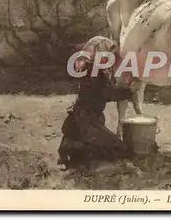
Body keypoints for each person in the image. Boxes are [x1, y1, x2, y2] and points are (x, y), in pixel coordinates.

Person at [57, 36, 134, 169]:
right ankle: (80, 149)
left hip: (83, 116)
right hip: (88, 120)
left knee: (110, 145)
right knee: (121, 149)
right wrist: (130, 91)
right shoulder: (96, 71)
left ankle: (74, 147)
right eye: (108, 53)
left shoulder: (88, 67)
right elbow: (108, 94)